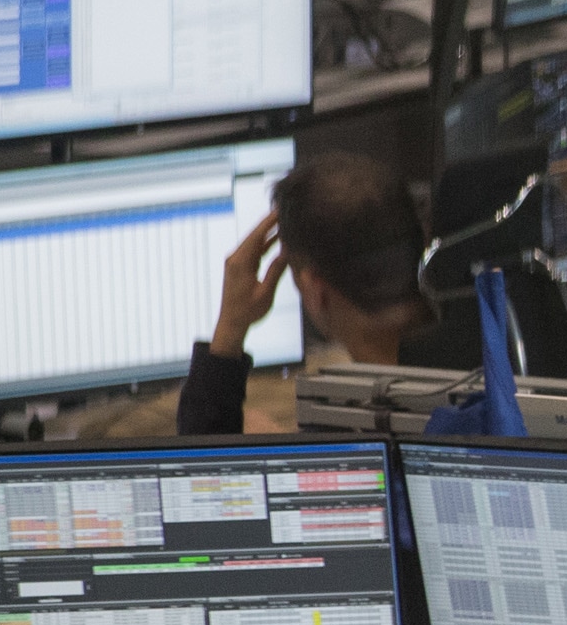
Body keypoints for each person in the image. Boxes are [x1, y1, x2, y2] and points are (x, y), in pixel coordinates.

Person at [183, 155, 450, 437]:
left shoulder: (352, 437)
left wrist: (230, 328)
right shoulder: (475, 365)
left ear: (314, 291)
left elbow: (198, 459)